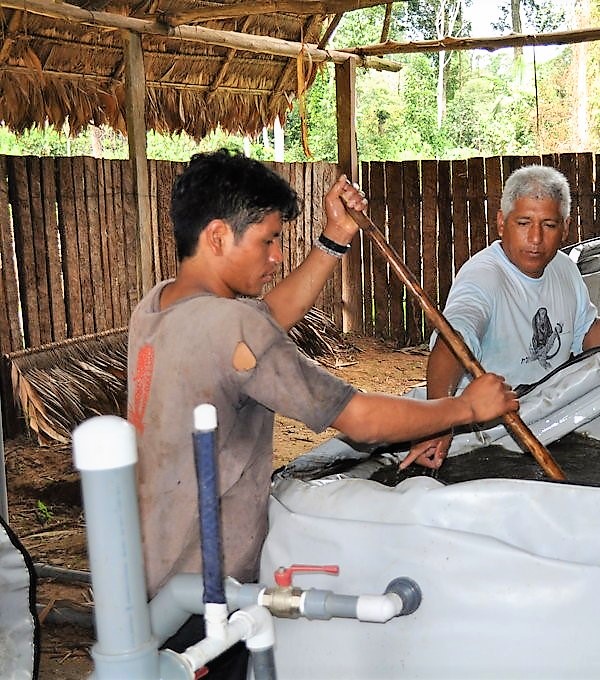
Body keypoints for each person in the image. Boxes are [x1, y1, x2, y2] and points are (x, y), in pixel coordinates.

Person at [127, 149, 518, 677]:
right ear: (218, 236)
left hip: (149, 567)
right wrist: (464, 408)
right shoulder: (230, 330)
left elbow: (262, 321)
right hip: (208, 584)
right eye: (267, 240)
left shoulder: (159, 306)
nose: (275, 257)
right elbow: (358, 419)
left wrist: (335, 239)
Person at [405, 165, 600, 470]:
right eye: (524, 222)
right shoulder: (483, 277)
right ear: (501, 223)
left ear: (565, 228)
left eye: (548, 225)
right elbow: (452, 343)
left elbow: (587, 340)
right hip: (486, 427)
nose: (536, 238)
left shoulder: (564, 270)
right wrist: (439, 419)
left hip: (549, 413)